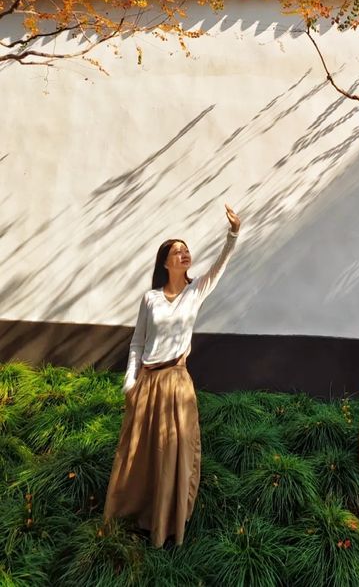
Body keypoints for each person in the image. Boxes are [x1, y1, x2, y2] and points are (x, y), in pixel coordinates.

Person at [103, 204, 241, 548]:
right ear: (165, 261)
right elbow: (137, 343)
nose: (185, 254)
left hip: (177, 382)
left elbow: (219, 267)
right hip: (147, 383)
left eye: (186, 250)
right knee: (138, 453)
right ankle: (132, 516)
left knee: (173, 453)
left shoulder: (195, 293)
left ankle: (165, 524)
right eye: (177, 251)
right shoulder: (150, 299)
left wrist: (233, 234)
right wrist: (130, 383)